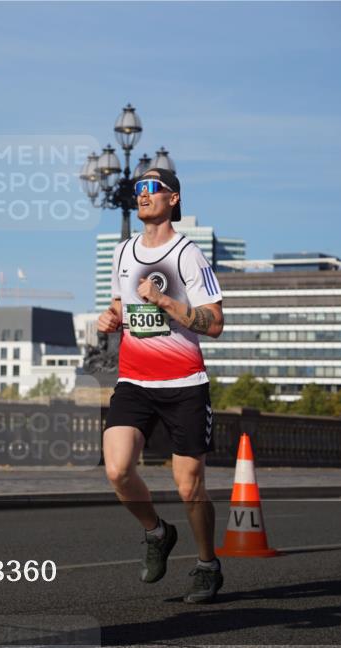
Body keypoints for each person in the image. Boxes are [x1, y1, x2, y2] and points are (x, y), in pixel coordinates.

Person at [97, 167, 226, 603]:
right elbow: (120, 304)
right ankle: (156, 532)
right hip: (134, 379)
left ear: (173, 198)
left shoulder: (187, 254)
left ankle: (207, 565)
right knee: (116, 469)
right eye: (137, 190)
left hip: (184, 382)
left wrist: (167, 302)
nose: (142, 195)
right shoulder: (124, 252)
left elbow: (215, 323)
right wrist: (111, 317)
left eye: (152, 189)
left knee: (189, 486)